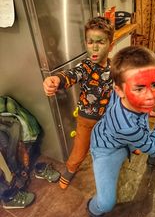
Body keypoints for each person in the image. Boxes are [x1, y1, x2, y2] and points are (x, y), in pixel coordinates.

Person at [87, 46, 155, 217]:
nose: (151, 96)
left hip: (120, 137)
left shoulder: (125, 90)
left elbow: (141, 86)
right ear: (119, 90)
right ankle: (93, 211)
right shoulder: (126, 126)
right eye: (140, 88)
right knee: (106, 202)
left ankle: (151, 158)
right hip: (106, 149)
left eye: (154, 84)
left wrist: (151, 93)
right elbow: (152, 146)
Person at [43, 16, 115, 189]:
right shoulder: (85, 67)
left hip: (108, 119)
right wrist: (55, 79)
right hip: (86, 121)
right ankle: (70, 169)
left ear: (111, 45)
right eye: (90, 42)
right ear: (85, 43)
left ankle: (129, 146)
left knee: (113, 145)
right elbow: (70, 75)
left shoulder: (115, 67)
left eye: (101, 42)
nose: (95, 47)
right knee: (79, 150)